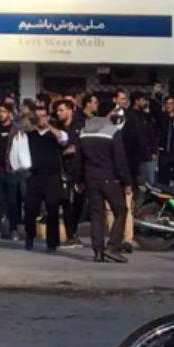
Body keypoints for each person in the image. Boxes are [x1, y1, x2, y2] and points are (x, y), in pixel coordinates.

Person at [75, 101, 133, 263]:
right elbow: (120, 159)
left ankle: (98, 251)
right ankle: (113, 246)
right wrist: (127, 181)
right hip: (109, 177)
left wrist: (78, 179)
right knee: (121, 210)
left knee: (96, 215)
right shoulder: (112, 131)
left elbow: (78, 159)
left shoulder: (84, 132)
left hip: (90, 177)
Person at [23, 102, 69, 252]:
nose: (41, 119)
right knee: (30, 208)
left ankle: (52, 243)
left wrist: (49, 126)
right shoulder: (30, 135)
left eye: (44, 116)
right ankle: (29, 237)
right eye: (38, 117)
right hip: (34, 176)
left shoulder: (55, 134)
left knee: (53, 208)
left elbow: (64, 139)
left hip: (52, 177)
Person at [0, 101, 23, 240]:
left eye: (3, 112)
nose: (1, 114)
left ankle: (13, 229)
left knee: (12, 201)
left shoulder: (16, 129)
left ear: (10, 113)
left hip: (12, 170)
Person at [55, 99, 84, 247]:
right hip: (62, 170)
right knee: (65, 201)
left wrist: (75, 149)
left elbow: (82, 145)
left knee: (78, 203)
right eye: (57, 111)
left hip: (78, 170)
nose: (58, 113)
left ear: (70, 110)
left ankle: (74, 231)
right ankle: (70, 234)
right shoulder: (56, 127)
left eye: (61, 110)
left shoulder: (80, 125)